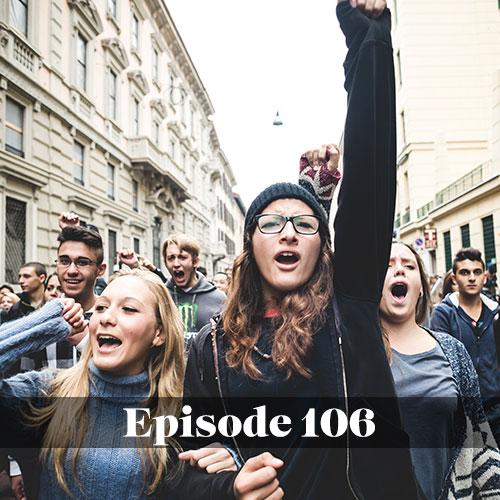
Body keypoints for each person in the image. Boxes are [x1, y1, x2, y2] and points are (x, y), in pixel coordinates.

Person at [183, 2, 420, 499]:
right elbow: (183, 472)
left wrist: (368, 40)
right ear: (250, 246)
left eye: (305, 224)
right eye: (271, 222)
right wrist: (228, 487)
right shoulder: (207, 349)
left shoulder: (347, 313)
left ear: (324, 247)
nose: (288, 233)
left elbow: (372, 171)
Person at [0, 269, 283, 500]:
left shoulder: (178, 410)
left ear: (158, 333)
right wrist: (40, 326)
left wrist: (230, 469)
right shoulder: (49, 394)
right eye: (101, 307)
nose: (107, 317)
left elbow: (190, 486)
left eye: (129, 309)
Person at [380, 241, 500, 499]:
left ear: (421, 288)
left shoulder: (453, 351)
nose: (399, 270)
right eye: (387, 265)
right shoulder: (354, 357)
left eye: (409, 265)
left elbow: (479, 440)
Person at [431, 248, 500, 446]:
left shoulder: (495, 311)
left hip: (495, 404)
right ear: (454, 278)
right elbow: (443, 364)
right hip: (463, 411)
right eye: (465, 272)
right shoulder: (443, 314)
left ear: (485, 277)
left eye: (477, 272)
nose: (471, 278)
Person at [119, 235, 226, 349]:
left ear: (195, 261)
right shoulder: (160, 296)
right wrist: (135, 266)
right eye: (171, 258)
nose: (176, 264)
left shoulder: (219, 299)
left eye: (182, 257)